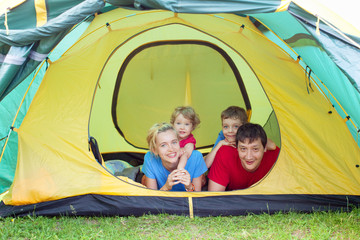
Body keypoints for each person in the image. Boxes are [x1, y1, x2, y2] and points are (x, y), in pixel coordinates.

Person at [208, 123, 280, 191]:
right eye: (243, 149)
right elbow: (214, 198)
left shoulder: (277, 156)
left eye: (255, 149)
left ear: (265, 148)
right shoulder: (225, 154)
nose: (249, 157)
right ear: (237, 148)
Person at [204, 106, 276, 168]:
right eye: (225, 126)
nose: (230, 131)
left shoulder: (249, 135)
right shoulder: (223, 136)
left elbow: (273, 146)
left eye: (236, 126)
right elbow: (206, 164)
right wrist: (220, 144)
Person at [142, 122, 207, 191]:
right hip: (163, 199)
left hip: (187, 200)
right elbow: (151, 198)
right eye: (163, 145)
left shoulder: (196, 157)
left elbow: (197, 198)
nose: (171, 149)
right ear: (154, 150)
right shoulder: (150, 158)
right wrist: (166, 187)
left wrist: (189, 186)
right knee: (143, 181)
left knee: (203, 179)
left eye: (174, 142)